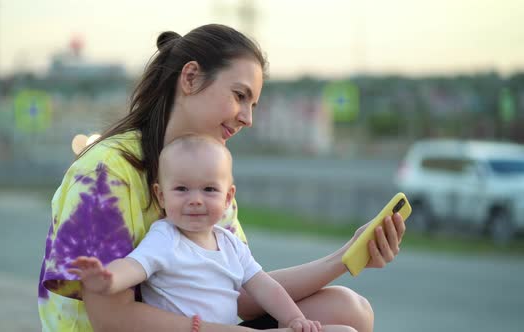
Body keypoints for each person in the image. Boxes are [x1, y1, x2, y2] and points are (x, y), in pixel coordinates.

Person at [38, 23, 406, 332]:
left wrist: (345, 257)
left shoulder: (207, 178)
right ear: (191, 77)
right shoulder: (106, 171)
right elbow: (112, 317)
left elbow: (237, 293)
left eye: (253, 104)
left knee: (349, 309)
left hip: (202, 325)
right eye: (239, 95)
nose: (247, 117)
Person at [68, 135, 324, 332]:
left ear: (228, 197)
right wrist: (108, 280)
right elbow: (134, 266)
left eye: (209, 190)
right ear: (161, 195)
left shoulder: (230, 244)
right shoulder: (166, 237)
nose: (196, 200)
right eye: (181, 189)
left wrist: (293, 319)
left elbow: (266, 288)